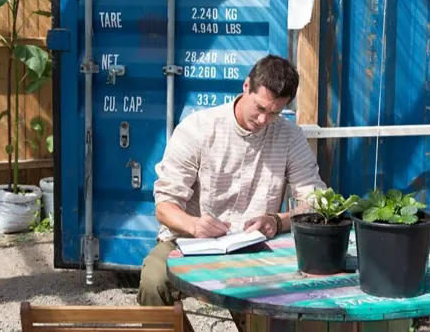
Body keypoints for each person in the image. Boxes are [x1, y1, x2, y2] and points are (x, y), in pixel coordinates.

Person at [136, 54, 327, 309]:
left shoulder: (290, 136)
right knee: (153, 281)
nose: (263, 120)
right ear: (246, 86)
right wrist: (194, 225)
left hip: (258, 246)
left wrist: (275, 221)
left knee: (299, 290)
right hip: (192, 242)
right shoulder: (198, 128)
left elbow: (316, 202)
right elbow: (164, 206)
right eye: (260, 108)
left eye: (274, 113)